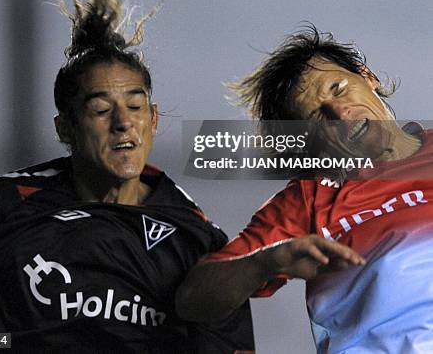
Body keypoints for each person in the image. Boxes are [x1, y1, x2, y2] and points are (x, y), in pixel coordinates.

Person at [0, 0, 254, 353]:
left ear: (154, 119)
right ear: (65, 128)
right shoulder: (9, 204)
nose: (124, 123)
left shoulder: (195, 239)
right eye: (100, 110)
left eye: (135, 106)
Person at [176, 25, 433, 353]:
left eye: (339, 88)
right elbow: (193, 300)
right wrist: (268, 262)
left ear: (368, 76)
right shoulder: (308, 201)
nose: (340, 114)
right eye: (316, 117)